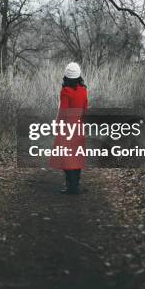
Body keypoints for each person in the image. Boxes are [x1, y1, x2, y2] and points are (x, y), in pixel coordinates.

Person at [49, 62, 88, 194]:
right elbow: (85, 111)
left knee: (65, 157)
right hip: (79, 127)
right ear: (78, 76)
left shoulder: (65, 91)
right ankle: (75, 184)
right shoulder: (83, 90)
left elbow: (63, 112)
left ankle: (72, 187)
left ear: (66, 76)